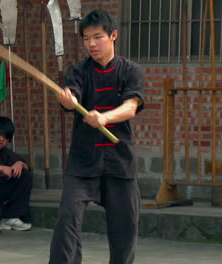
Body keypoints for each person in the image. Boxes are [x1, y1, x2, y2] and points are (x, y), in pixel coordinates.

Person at [49, 10, 145, 264]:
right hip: (83, 161)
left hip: (119, 162)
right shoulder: (78, 70)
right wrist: (68, 99)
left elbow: (131, 106)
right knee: (67, 218)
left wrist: (105, 117)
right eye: (86, 38)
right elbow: (72, 98)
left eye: (97, 37)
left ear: (113, 36)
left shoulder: (130, 71)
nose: (91, 44)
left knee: (125, 229)